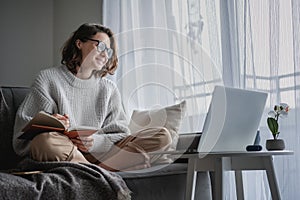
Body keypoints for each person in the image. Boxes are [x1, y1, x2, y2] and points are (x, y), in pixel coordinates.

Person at [13, 23, 171, 171]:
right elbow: (23, 132)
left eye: (108, 51)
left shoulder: (109, 88)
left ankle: (96, 170)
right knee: (45, 141)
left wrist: (95, 143)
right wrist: (54, 122)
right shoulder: (48, 79)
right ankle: (105, 170)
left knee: (162, 135)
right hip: (68, 150)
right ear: (79, 43)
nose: (105, 54)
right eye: (100, 45)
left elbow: (121, 133)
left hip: (102, 153)